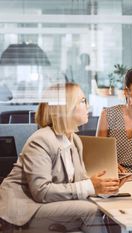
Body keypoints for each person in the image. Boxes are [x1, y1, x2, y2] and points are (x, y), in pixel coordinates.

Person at [0, 83, 120, 233]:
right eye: (82, 101)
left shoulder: (74, 140)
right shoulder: (41, 140)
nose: (88, 106)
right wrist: (90, 186)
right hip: (24, 210)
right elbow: (41, 192)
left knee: (106, 213)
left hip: (47, 206)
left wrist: (107, 185)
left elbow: (79, 183)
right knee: (89, 211)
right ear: (66, 108)